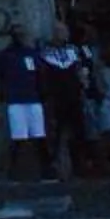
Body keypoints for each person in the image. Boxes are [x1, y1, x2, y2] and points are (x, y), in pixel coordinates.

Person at [0, 27, 48, 181]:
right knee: (19, 137)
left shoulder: (31, 54)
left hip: (32, 99)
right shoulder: (6, 56)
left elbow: (40, 74)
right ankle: (16, 171)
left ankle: (44, 169)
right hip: (16, 100)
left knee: (39, 135)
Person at [37, 22, 91, 178]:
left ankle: (80, 163)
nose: (63, 35)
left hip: (74, 96)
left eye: (64, 31)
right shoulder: (45, 53)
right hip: (55, 97)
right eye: (59, 32)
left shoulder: (74, 51)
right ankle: (55, 166)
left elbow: (83, 69)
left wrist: (84, 82)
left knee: (78, 131)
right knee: (56, 132)